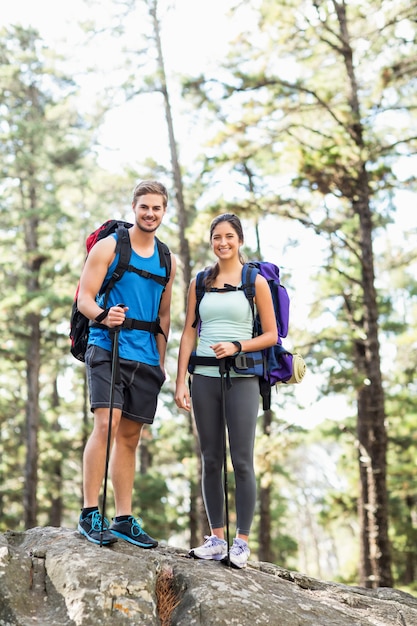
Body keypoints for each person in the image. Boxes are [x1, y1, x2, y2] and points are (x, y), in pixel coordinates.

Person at [77, 180, 176, 547]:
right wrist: (104, 315)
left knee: (131, 438)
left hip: (146, 357)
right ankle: (89, 512)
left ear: (164, 212)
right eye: (144, 207)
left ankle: (122, 518)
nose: (150, 214)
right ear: (134, 207)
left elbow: (164, 315)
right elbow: (84, 298)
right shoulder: (109, 246)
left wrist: (161, 362)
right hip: (108, 346)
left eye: (157, 208)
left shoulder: (168, 259)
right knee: (106, 423)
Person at [174, 213, 277, 568]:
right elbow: (189, 331)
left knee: (243, 460)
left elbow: (271, 335)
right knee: (211, 458)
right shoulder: (200, 282)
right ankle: (217, 539)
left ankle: (242, 543)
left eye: (229, 236)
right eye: (217, 237)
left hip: (243, 378)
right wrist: (179, 380)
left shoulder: (255, 282)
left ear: (240, 240)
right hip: (203, 377)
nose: (223, 243)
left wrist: (237, 345)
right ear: (211, 241)